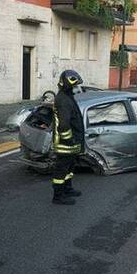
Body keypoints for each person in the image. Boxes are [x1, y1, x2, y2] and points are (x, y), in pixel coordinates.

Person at [51, 70, 85, 205]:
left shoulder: (67, 97)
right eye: (74, 85)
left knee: (69, 168)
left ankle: (67, 189)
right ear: (66, 84)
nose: (75, 88)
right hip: (65, 144)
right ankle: (58, 196)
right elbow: (64, 125)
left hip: (71, 144)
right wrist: (70, 140)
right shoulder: (63, 100)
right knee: (61, 170)